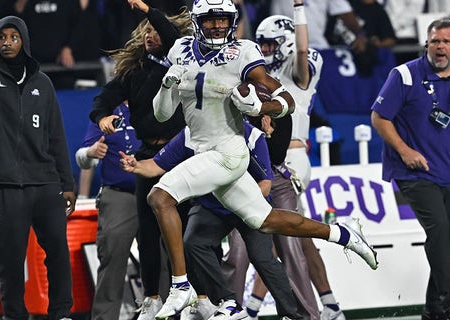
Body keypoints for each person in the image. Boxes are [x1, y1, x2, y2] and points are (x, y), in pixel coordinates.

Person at [147, 0, 378, 318]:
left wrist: (259, 108)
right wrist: (167, 84)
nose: (217, 25)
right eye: (211, 19)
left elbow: (285, 100)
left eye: (223, 19)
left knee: (160, 197)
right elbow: (162, 114)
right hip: (207, 152)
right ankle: (343, 233)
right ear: (197, 22)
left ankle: (181, 286)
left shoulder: (242, 52)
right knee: (265, 220)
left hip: (226, 153)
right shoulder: (180, 51)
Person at [0, 15, 76, 320]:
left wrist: (68, 184)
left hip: (45, 184)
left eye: (13, 37)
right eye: (1, 38)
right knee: (9, 262)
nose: (7, 43)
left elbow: (56, 136)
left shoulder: (42, 83)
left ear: (24, 42)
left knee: (59, 253)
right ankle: (14, 316)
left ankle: (61, 313)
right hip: (6, 188)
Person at [121, 122, 303, 320]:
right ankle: (227, 301)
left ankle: (291, 315)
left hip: (249, 204)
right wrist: (136, 165)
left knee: (262, 257)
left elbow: (265, 185)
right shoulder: (191, 133)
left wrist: (239, 204)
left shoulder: (251, 136)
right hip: (211, 206)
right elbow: (157, 165)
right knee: (193, 243)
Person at [370, 18, 450, 320]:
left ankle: (434, 307)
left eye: (446, 41)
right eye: (435, 41)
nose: (440, 47)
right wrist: (405, 150)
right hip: (414, 172)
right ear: (427, 43)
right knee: (438, 230)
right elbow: (379, 117)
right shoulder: (405, 75)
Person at [232, 9, 345, 320]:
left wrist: (298, 7)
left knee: (280, 230)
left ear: (286, 42)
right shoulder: (262, 73)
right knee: (296, 235)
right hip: (265, 155)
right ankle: (329, 302)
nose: (265, 50)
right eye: (262, 45)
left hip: (291, 159)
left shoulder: (302, 65)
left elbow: (305, 51)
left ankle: (256, 306)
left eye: (270, 45)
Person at [87, 1, 190, 319]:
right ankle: (152, 297)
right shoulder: (136, 69)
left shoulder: (180, 64)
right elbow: (105, 96)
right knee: (147, 232)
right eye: (145, 30)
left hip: (178, 154)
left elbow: (173, 36)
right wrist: (102, 115)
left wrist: (148, 10)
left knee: (184, 233)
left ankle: (194, 296)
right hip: (148, 152)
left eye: (154, 30)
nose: (148, 34)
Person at [76, 102, 141, 320]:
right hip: (119, 195)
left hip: (157, 191)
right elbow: (82, 157)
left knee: (163, 263)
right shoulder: (106, 111)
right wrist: (91, 152)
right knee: (112, 260)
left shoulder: (157, 103)